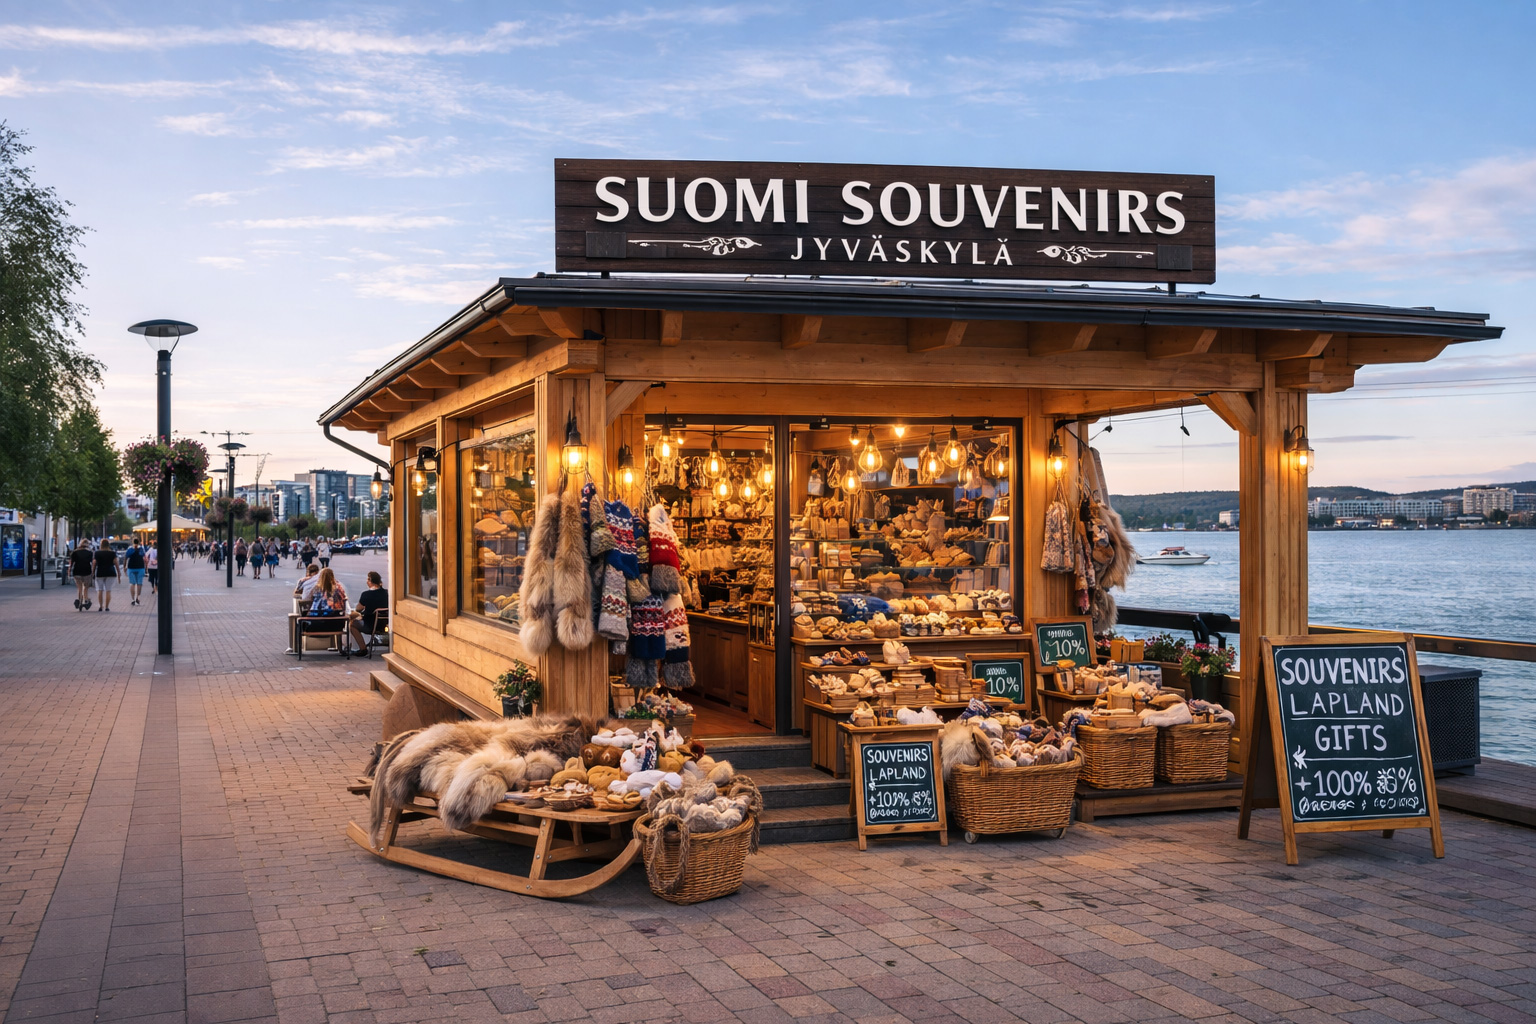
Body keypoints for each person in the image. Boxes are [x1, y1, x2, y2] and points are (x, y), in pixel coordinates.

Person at [348, 570, 389, 656]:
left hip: (369, 625)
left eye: (368, 579)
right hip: (385, 624)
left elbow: (358, 608)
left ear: (370, 581)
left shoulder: (366, 594)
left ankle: (362, 649)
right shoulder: (386, 593)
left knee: (352, 624)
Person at [94, 541, 120, 612]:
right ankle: (107, 607)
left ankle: (100, 606)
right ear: (108, 545)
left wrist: (93, 573)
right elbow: (116, 563)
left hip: (100, 572)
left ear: (101, 545)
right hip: (111, 572)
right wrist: (119, 573)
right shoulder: (112, 553)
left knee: (100, 590)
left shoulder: (97, 553)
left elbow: (94, 563)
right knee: (108, 590)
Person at [69, 540, 95, 611]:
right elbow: (92, 563)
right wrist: (93, 572)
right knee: (86, 588)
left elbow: (71, 563)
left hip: (77, 571)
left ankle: (79, 600)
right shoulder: (90, 552)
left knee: (79, 587)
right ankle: (86, 600)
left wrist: (69, 571)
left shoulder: (74, 552)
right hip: (87, 571)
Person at [125, 540, 147, 606]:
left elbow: (126, 558)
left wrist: (124, 567)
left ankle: (133, 599)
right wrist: (146, 567)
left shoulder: (130, 549)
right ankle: (137, 597)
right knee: (139, 583)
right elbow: (144, 558)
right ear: (139, 542)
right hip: (140, 567)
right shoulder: (141, 549)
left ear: (133, 542)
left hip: (131, 567)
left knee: (132, 584)